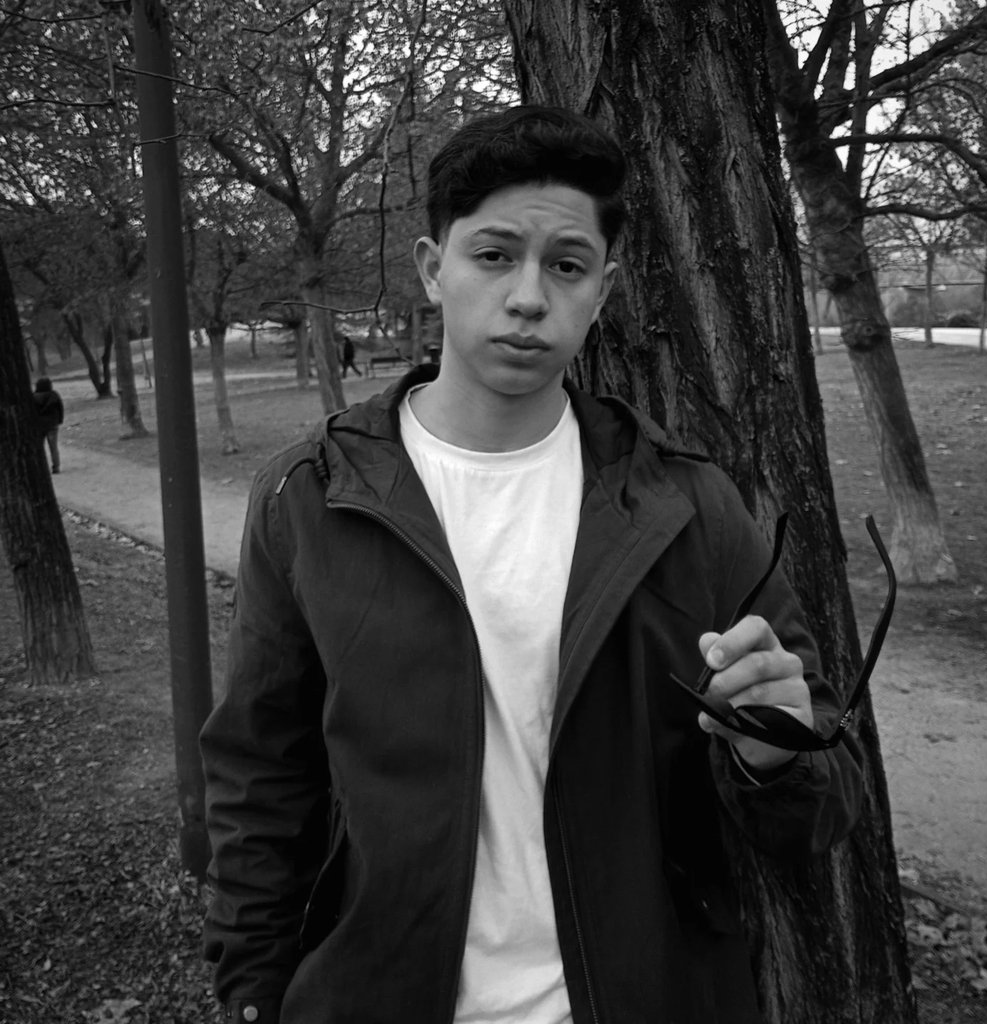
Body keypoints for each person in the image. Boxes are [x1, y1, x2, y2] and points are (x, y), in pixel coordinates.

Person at [200, 105, 864, 1024]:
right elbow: (261, 776)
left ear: (603, 289)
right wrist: (251, 994)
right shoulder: (310, 497)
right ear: (433, 268)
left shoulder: (685, 505)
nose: (527, 297)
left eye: (566, 266)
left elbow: (823, 803)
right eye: (493, 254)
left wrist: (774, 752)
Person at [33, 377, 64, 474]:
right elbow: (60, 408)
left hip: (39, 424)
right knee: (53, 447)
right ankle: (56, 467)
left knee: (39, 447)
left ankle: (40, 467)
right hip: (52, 423)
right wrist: (60, 420)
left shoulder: (33, 397)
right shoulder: (54, 395)